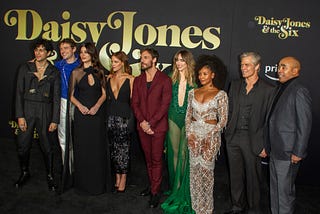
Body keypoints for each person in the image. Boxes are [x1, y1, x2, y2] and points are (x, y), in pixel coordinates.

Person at [224, 52, 274, 214]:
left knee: (253, 178)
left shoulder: (268, 90)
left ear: (257, 67)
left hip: (254, 140)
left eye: (247, 65)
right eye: (241, 64)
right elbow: (229, 110)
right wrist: (227, 132)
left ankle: (253, 209)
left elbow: (269, 120)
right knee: (235, 175)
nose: (243, 68)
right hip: (233, 137)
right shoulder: (235, 85)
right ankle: (237, 206)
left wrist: (265, 144)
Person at [266, 56, 312, 214]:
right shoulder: (280, 88)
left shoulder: (299, 90)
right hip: (275, 150)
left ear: (295, 71)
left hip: (288, 153)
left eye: (284, 67)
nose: (279, 70)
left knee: (284, 194)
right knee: (275, 192)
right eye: (279, 66)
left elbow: (304, 124)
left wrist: (298, 152)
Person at [14, 38, 60, 191]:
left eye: (41, 50)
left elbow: (56, 98)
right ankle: (24, 172)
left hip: (45, 110)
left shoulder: (54, 71)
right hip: (27, 108)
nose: (38, 52)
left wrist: (55, 119)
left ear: (48, 53)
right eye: (36, 49)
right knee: (23, 145)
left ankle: (50, 175)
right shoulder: (25, 67)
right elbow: (19, 93)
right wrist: (20, 116)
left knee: (47, 146)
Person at [185, 54, 228, 214]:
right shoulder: (192, 92)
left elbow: (223, 120)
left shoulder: (221, 95)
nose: (201, 77)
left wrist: (210, 135)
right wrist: (190, 134)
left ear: (212, 75)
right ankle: (196, 208)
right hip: (194, 137)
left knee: (206, 173)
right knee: (194, 173)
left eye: (205, 74)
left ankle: (207, 209)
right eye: (199, 74)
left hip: (210, 138)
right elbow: (188, 116)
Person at [131, 47, 172, 208]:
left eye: (145, 57)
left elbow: (165, 105)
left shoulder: (164, 80)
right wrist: (142, 121)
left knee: (156, 159)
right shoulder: (138, 79)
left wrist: (151, 123)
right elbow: (135, 103)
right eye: (141, 57)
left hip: (157, 127)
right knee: (148, 160)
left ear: (154, 60)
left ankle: (155, 191)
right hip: (142, 127)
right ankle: (153, 185)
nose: (142, 60)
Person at [69, 42, 107, 195]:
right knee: (82, 149)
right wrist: (80, 106)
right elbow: (71, 96)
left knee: (96, 149)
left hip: (96, 116)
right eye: (81, 52)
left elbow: (104, 94)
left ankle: (97, 183)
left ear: (92, 54)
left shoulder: (100, 72)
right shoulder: (76, 73)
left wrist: (97, 106)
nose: (83, 55)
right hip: (82, 116)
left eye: (86, 52)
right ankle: (83, 184)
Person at [161, 50, 196, 213]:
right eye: (177, 60)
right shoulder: (170, 78)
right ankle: (175, 186)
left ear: (188, 62)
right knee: (173, 153)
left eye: (182, 60)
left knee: (183, 153)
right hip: (173, 117)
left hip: (188, 120)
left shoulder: (195, 81)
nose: (179, 63)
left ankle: (181, 187)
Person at [106, 51, 134, 193]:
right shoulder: (109, 78)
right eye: (112, 61)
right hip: (110, 118)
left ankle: (124, 178)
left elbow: (134, 103)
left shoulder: (130, 79)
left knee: (124, 150)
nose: (113, 64)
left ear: (122, 63)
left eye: (116, 62)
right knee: (114, 150)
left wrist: (132, 121)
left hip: (125, 118)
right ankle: (117, 176)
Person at [54, 38, 80, 174]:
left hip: (79, 104)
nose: (63, 51)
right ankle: (68, 169)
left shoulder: (81, 65)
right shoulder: (58, 65)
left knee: (79, 136)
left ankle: (80, 168)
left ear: (74, 49)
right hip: (64, 102)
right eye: (61, 49)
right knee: (63, 137)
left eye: (66, 48)